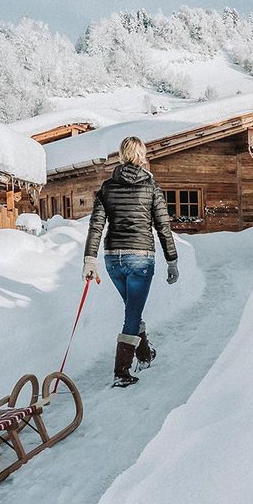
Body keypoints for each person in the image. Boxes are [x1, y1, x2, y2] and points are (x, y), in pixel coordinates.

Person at [82, 136, 179, 388]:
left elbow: (96, 226)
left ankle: (145, 354)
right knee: (132, 314)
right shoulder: (151, 187)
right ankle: (121, 372)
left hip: (113, 259)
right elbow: (163, 226)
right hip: (140, 258)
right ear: (141, 156)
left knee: (132, 310)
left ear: (122, 155)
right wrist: (172, 260)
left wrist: (90, 259)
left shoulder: (107, 187)